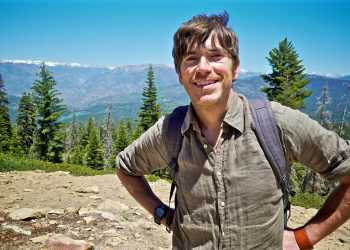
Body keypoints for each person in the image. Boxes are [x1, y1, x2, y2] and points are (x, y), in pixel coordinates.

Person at [116, 12, 350, 250]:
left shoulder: (276, 123)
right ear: (179, 74)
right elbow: (126, 167)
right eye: (191, 59)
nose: (203, 68)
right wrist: (162, 214)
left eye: (215, 56)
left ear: (235, 68)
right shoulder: (171, 130)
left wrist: (305, 237)